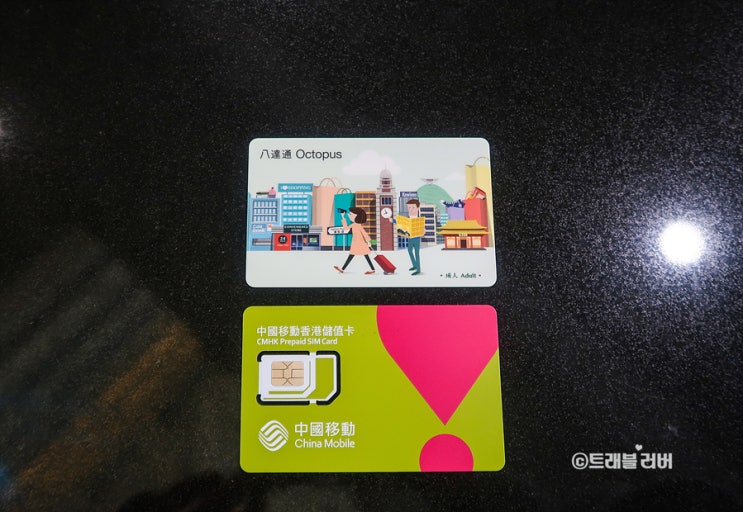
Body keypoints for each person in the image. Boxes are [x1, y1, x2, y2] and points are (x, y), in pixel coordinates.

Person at [333, 207, 375, 274]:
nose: (349, 215)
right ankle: (342, 269)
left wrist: (368, 242)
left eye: (351, 214)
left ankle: (372, 269)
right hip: (355, 243)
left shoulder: (358, 226)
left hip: (361, 243)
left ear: (357, 217)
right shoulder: (354, 225)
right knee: (355, 255)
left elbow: (364, 234)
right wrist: (343, 217)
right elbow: (346, 228)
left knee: (363, 256)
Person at [389, 199, 422, 275]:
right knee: (409, 251)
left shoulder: (419, 219)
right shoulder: (408, 218)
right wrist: (393, 220)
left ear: (417, 208)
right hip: (410, 238)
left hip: (417, 239)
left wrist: (423, 231)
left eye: (413, 207)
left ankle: (418, 269)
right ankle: (414, 265)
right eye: (409, 207)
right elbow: (401, 222)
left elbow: (423, 229)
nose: (411, 209)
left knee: (416, 253)